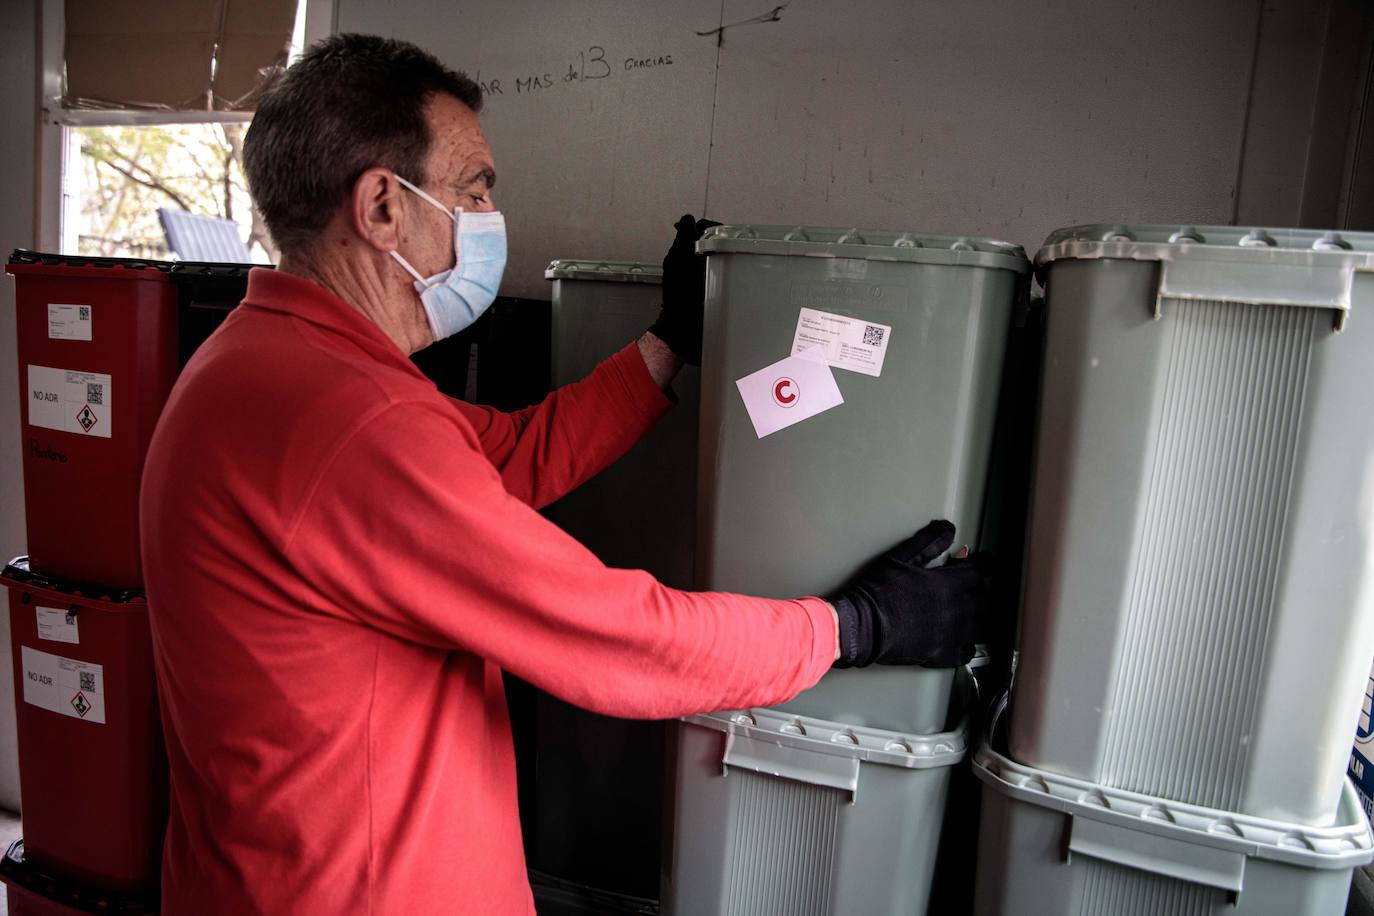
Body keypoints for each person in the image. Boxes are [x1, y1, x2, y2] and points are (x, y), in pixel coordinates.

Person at [138, 33, 980, 915]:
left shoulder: (261, 366)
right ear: (383, 206)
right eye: (474, 189)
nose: (492, 213)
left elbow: (505, 457)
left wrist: (668, 346)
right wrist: (853, 627)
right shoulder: (354, 424)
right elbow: (617, 639)